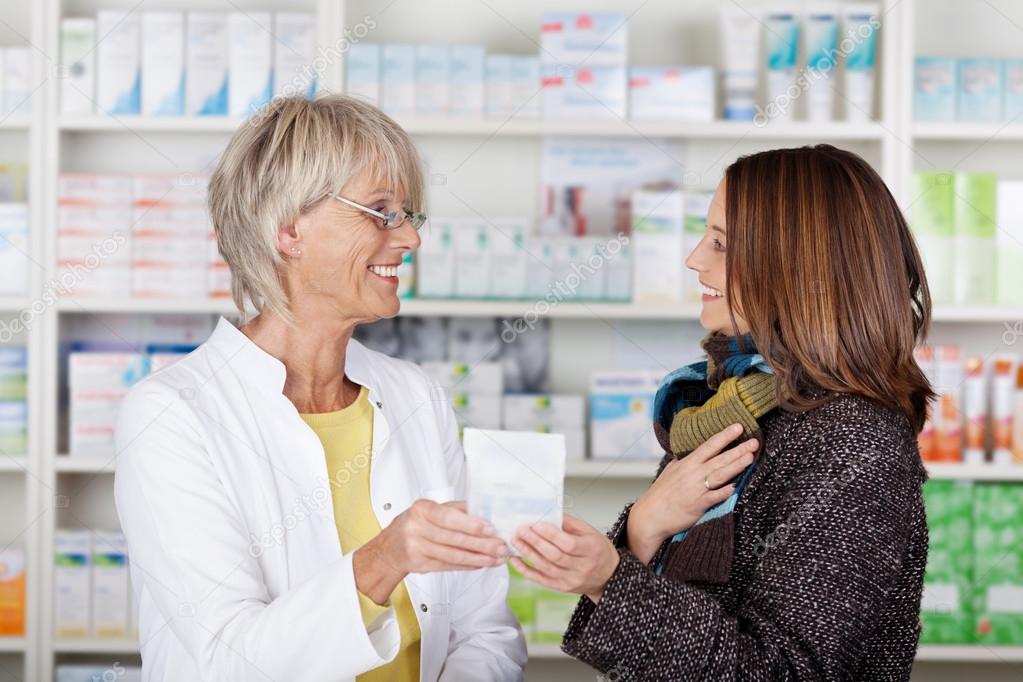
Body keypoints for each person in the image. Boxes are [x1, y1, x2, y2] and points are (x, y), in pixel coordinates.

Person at [113, 95, 527, 682]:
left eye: (410, 214)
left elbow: (486, 627)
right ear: (288, 230)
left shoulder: (416, 397)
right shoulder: (172, 415)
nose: (410, 239)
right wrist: (386, 558)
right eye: (381, 212)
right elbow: (232, 659)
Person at [510, 145, 931, 681]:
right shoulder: (741, 402)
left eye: (721, 244)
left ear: (797, 268)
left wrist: (609, 578)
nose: (694, 260)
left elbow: (784, 673)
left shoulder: (854, 444)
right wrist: (642, 530)